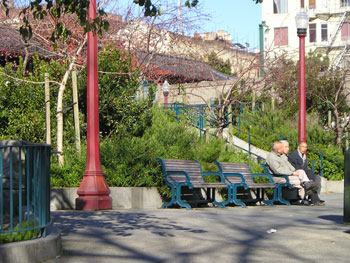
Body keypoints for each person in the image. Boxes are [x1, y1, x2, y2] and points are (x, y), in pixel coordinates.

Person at [288, 141, 325, 206]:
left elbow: (305, 168)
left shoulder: (304, 156)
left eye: (305, 147)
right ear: (298, 147)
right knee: (311, 181)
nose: (304, 148)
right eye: (303, 147)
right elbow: (294, 168)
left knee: (313, 175)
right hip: (296, 173)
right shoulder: (293, 155)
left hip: (303, 173)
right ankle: (315, 199)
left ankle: (313, 195)